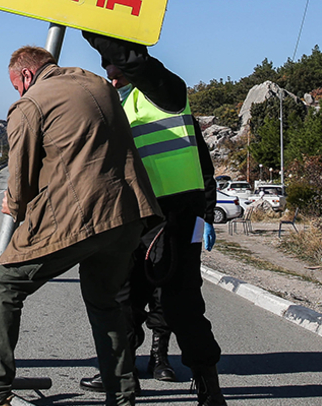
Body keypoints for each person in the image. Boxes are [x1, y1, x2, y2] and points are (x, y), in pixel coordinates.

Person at [0, 46, 161, 406]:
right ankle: (122, 398)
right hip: (128, 214)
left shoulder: (30, 104)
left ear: (26, 76)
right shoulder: (97, 83)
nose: (19, 93)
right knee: (105, 302)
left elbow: (21, 176)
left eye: (17, 85)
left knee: (4, 284)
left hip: (79, 215)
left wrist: (13, 204)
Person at [81, 31, 226, 406]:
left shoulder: (167, 92)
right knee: (124, 301)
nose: (108, 73)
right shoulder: (119, 105)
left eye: (111, 64)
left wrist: (89, 26)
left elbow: (203, 168)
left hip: (174, 216)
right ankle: (122, 379)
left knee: (180, 303)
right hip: (136, 217)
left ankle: (208, 386)